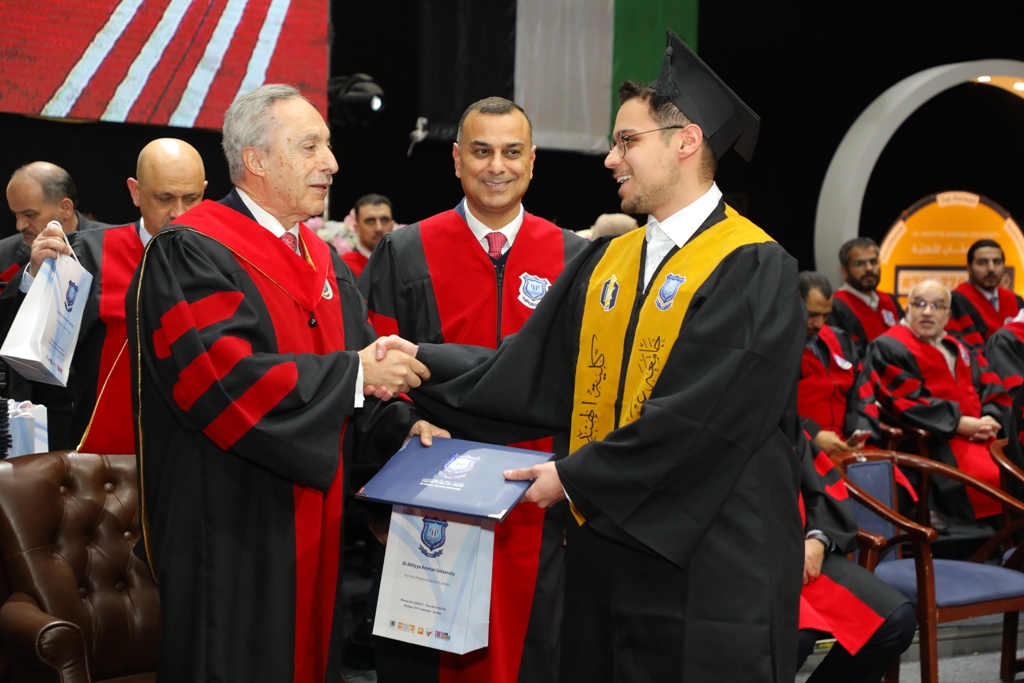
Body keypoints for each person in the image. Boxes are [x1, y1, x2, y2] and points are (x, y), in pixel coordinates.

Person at [389, 30, 806, 682]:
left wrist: (573, 478)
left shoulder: (754, 266)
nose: (610, 159)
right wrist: (416, 360)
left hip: (711, 568)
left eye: (626, 141)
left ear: (686, 142)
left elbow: (701, 420)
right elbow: (529, 369)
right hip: (605, 555)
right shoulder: (610, 260)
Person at [126, 84, 437, 683]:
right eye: (310, 146)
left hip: (314, 527)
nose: (332, 163)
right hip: (230, 523)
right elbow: (220, 380)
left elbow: (362, 380)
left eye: (328, 145)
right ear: (257, 161)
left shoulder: (322, 262)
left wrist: (406, 427)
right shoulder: (191, 250)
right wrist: (356, 373)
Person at [361, 96, 587, 683]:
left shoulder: (575, 259)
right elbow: (375, 372)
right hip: (432, 488)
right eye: (482, 152)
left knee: (533, 654)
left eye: (512, 152)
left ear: (532, 161)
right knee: (428, 661)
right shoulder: (404, 251)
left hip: (538, 501)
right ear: (457, 160)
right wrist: (405, 425)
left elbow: (590, 386)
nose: (497, 166)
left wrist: (577, 477)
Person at [1, 139, 208, 453]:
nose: (178, 213)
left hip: (198, 448)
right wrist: (36, 279)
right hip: (103, 452)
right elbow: (34, 344)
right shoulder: (90, 253)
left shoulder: (224, 258)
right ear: (135, 192)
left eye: (191, 198)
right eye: (165, 198)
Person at [862, 279, 1010, 525]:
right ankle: (988, 541)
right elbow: (902, 400)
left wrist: (991, 418)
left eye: (937, 306)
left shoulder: (959, 346)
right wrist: (959, 423)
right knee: (993, 478)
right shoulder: (889, 346)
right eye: (920, 304)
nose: (927, 312)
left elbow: (990, 384)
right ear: (907, 309)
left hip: (984, 436)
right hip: (938, 440)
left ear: (948, 315)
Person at [1, 162, 112, 447]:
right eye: (15, 215)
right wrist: (30, 277)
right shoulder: (4, 253)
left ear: (65, 208)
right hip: (35, 409)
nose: (20, 225)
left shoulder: (112, 245)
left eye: (29, 215)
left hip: (97, 403)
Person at [795, 432, 915, 683]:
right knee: (793, 637)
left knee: (894, 622)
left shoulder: (785, 423)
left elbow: (820, 486)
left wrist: (818, 539)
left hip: (806, 553)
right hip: (743, 562)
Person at [798, 270, 877, 456]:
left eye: (826, 316)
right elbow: (768, 409)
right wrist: (810, 434)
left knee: (889, 473)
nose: (819, 324)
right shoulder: (775, 347)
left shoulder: (841, 340)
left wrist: (858, 433)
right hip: (800, 448)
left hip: (844, 445)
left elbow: (862, 393)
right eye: (812, 314)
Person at [828, 237, 904, 358]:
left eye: (873, 262)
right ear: (844, 271)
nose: (869, 268)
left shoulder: (889, 301)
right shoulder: (835, 307)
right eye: (859, 263)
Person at [946, 239, 1020, 350]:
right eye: (982, 262)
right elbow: (967, 349)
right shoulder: (956, 301)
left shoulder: (1016, 300)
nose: (991, 268)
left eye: (997, 262)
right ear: (969, 268)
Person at [341, 193, 394, 277]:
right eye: (370, 221)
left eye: (384, 220)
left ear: (392, 225)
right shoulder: (343, 266)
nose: (379, 228)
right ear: (357, 228)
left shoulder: (402, 262)